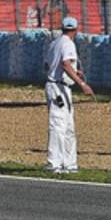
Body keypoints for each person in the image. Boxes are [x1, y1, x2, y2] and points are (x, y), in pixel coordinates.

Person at [43, 16, 94, 173]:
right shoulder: (69, 44)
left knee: (68, 126)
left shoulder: (55, 43)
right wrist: (82, 83)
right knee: (59, 124)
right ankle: (55, 162)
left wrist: (72, 71)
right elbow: (65, 64)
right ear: (76, 30)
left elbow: (48, 64)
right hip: (59, 87)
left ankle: (69, 163)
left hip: (58, 85)